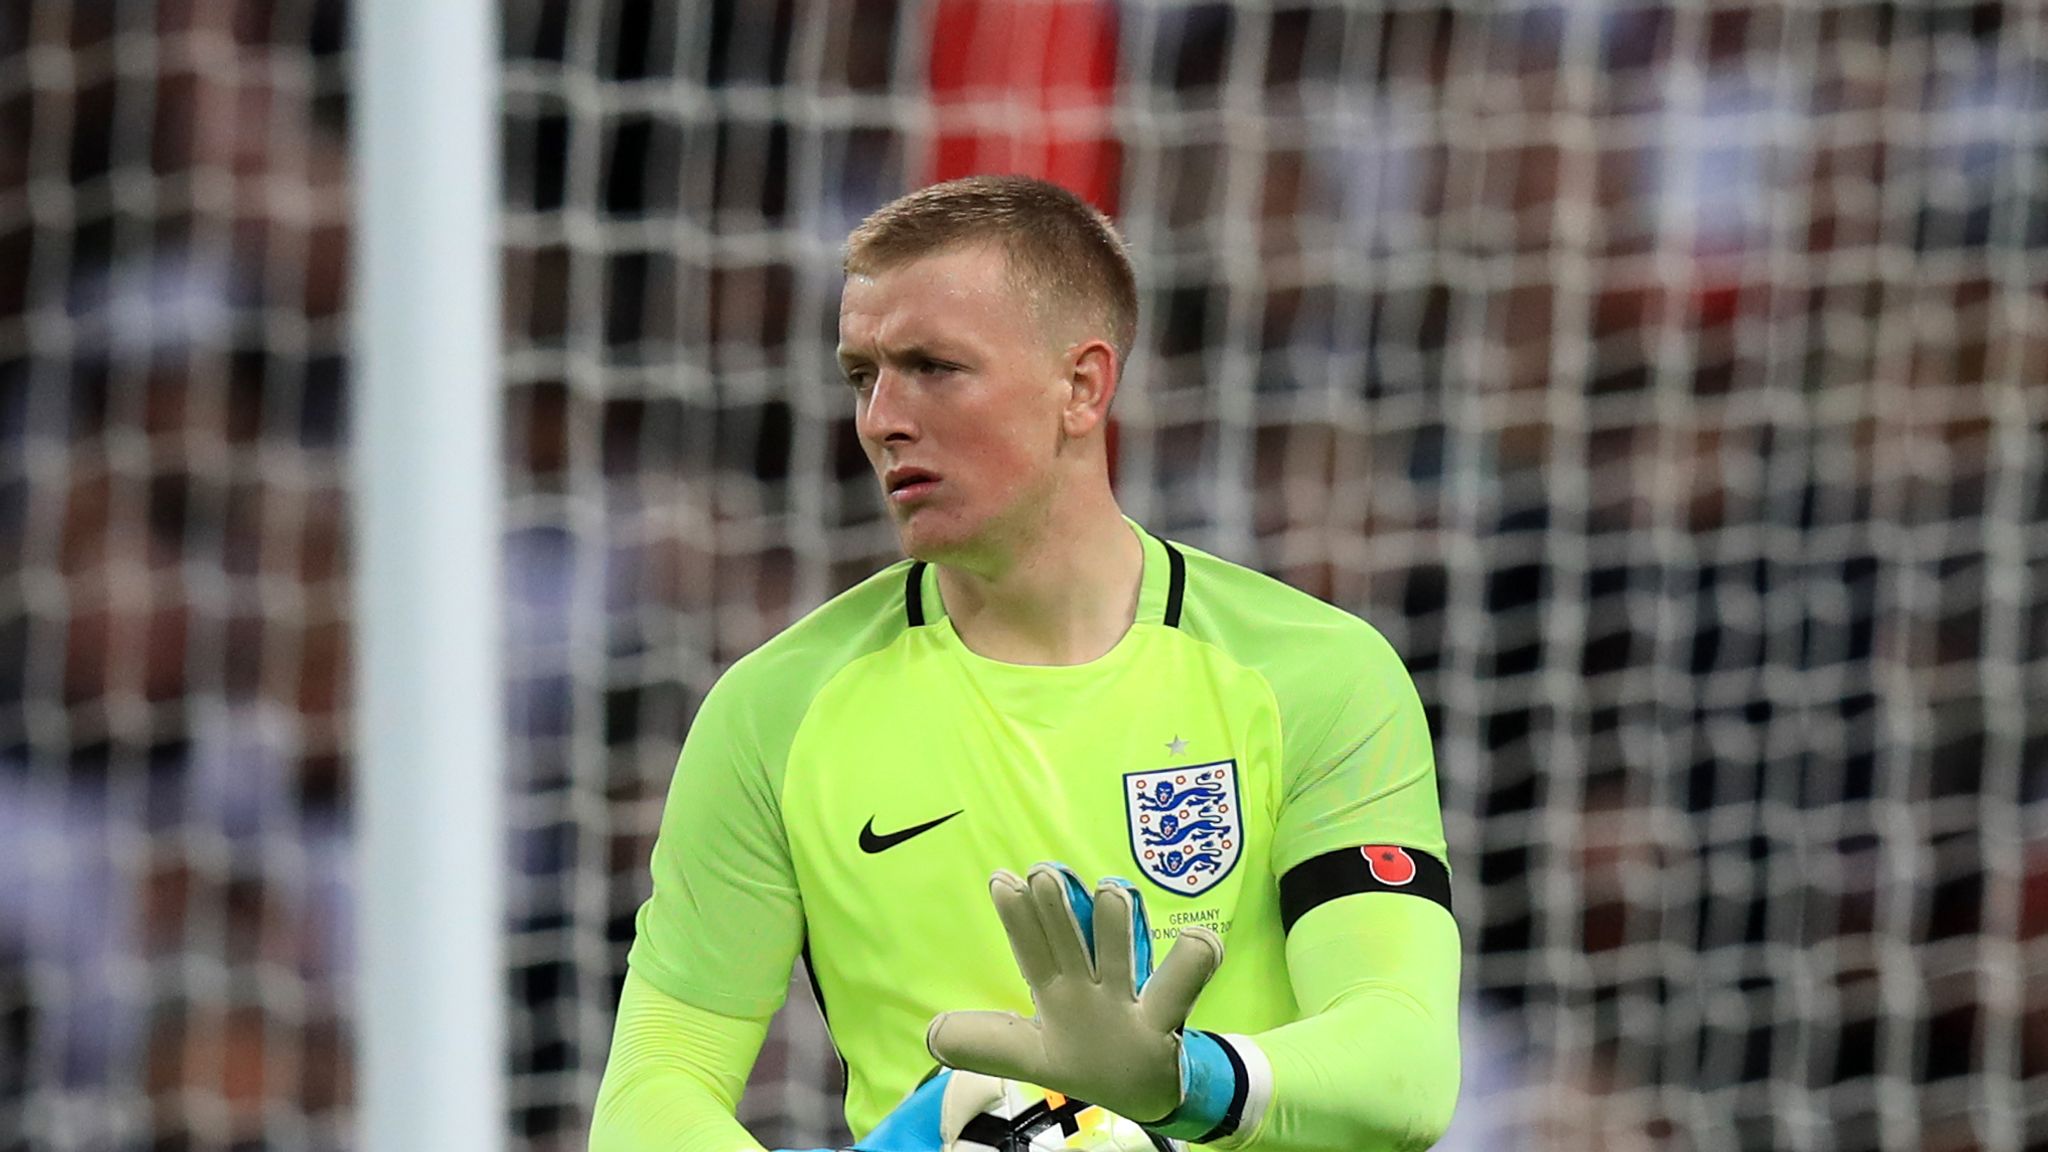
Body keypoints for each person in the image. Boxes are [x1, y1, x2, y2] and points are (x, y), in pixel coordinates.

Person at [591, 175, 1461, 1152]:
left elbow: (1406, 1066)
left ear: (1081, 386)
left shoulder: (1311, 675)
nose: (881, 417)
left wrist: (1180, 1081)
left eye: (932, 367)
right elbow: (651, 1091)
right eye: (860, 375)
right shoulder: (775, 710)